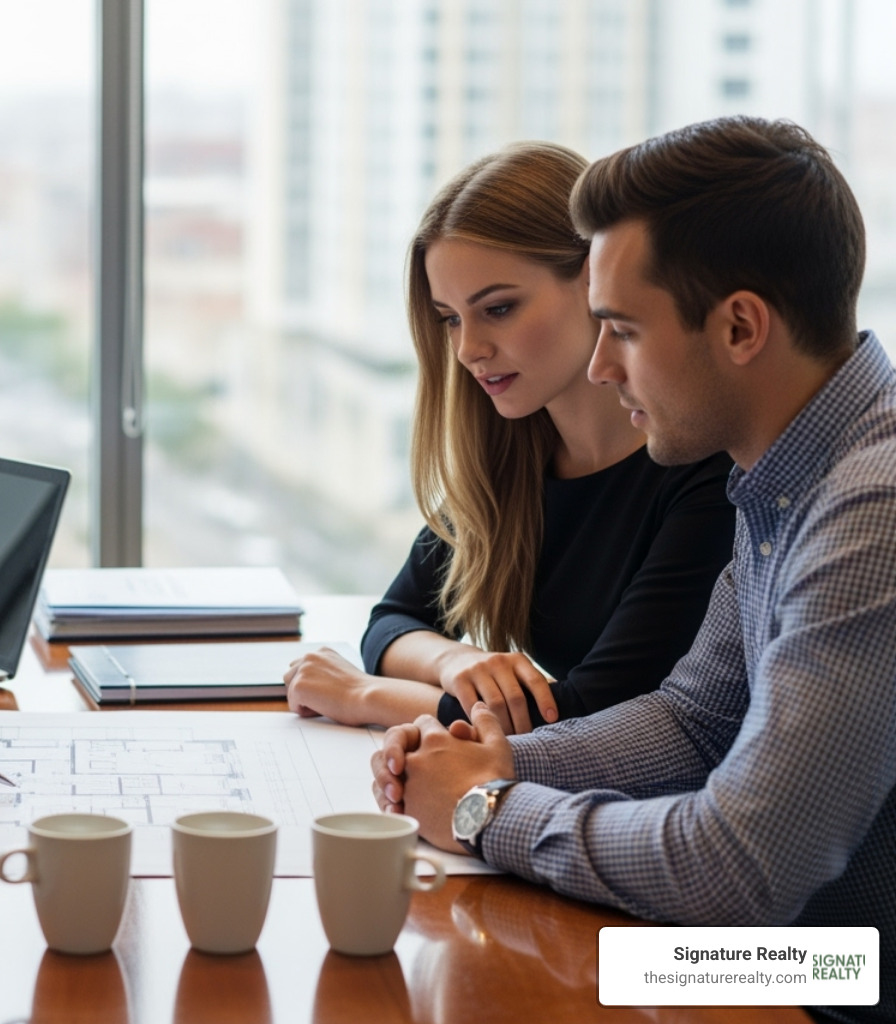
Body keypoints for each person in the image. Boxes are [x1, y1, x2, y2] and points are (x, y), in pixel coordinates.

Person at [374, 117, 894, 1024]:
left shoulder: (873, 509)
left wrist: (486, 810)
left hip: (849, 976)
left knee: (526, 983)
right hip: (809, 951)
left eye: (620, 330)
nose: (602, 365)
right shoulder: (781, 474)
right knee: (478, 963)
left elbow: (739, 868)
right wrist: (496, 759)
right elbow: (695, 721)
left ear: (739, 327)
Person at [285, 142, 734, 736]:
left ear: (594, 281)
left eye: (497, 308)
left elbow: (592, 717)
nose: (469, 349)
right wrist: (454, 660)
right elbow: (393, 620)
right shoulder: (513, 458)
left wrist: (367, 696)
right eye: (450, 318)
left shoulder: (704, 472)